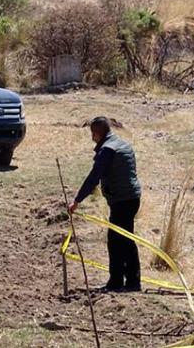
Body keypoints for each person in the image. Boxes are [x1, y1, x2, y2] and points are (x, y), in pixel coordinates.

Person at [68, 117, 142, 292]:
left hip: (122, 200)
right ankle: (129, 281)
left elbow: (94, 177)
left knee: (118, 241)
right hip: (132, 197)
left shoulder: (107, 150)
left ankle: (120, 282)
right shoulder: (122, 143)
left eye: (92, 134)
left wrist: (76, 201)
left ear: (97, 133)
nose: (92, 138)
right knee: (125, 239)